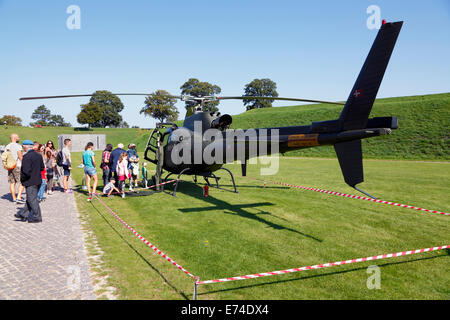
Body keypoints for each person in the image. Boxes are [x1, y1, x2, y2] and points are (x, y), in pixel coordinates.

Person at [15, 140, 44, 223]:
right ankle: (23, 214)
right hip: (38, 180)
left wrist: (22, 179)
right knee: (31, 198)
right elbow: (42, 168)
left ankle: (37, 217)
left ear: (25, 147)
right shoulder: (38, 155)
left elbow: (26, 171)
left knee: (32, 200)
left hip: (30, 181)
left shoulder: (26, 157)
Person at [5, 133, 25, 204]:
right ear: (15, 138)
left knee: (12, 182)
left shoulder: (7, 146)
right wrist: (24, 164)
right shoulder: (18, 146)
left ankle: (13, 198)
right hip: (17, 166)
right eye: (18, 137)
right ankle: (19, 197)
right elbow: (20, 156)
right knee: (22, 182)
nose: (19, 138)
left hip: (10, 166)